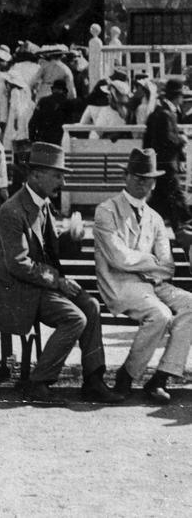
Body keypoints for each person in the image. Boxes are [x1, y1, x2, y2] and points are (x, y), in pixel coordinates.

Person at [0, 142, 121, 403]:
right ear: (36, 175)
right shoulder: (11, 211)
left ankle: (93, 380)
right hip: (15, 291)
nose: (62, 181)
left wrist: (73, 236)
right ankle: (39, 382)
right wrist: (58, 281)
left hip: (38, 285)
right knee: (75, 318)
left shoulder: (43, 204)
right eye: (57, 175)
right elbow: (18, 264)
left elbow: (52, 250)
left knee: (91, 305)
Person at [94, 148, 192, 404]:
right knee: (160, 314)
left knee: (190, 305)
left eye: (148, 178)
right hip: (119, 284)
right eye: (137, 176)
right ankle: (126, 376)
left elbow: (168, 265)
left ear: (154, 182)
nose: (142, 182)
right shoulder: (107, 210)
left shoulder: (155, 218)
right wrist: (150, 262)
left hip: (154, 285)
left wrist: (147, 265)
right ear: (125, 176)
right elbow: (118, 258)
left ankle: (161, 378)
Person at [143, 78, 192, 246]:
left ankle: (141, 229)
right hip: (167, 166)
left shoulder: (158, 113)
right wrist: (181, 139)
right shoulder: (165, 114)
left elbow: (149, 142)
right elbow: (167, 140)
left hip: (159, 165)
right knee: (177, 201)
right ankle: (185, 232)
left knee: (161, 204)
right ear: (177, 97)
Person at [28, 78, 71, 145]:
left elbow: (32, 123)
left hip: (43, 139)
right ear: (64, 91)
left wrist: (33, 139)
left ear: (53, 89)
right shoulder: (68, 103)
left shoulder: (43, 101)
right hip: (61, 140)